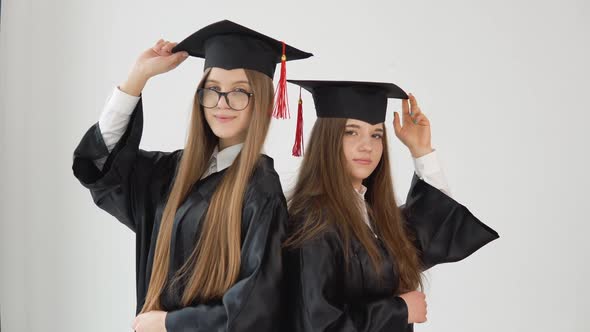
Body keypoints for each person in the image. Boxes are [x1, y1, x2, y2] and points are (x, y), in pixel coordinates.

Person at [72, 20, 312, 331]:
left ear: (264, 102)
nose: (222, 104)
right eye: (213, 90)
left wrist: (171, 323)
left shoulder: (261, 192)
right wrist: (137, 78)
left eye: (239, 92)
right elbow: (102, 167)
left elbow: (257, 309)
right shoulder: (171, 173)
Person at [283, 80, 499, 332]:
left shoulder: (371, 213)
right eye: (352, 132)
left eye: (376, 134)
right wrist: (400, 310)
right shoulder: (313, 221)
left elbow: (428, 235)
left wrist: (421, 151)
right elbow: (315, 324)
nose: (368, 145)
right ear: (327, 140)